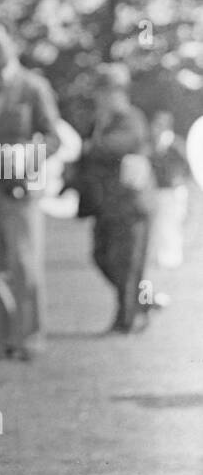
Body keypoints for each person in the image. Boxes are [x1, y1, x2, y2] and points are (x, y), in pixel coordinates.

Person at [0, 15, 61, 360]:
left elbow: (54, 137)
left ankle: (29, 340)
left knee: (25, 267)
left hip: (20, 194)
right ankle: (2, 341)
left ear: (13, 43)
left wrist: (28, 154)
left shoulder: (34, 87)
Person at [80, 65, 155, 334]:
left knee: (128, 263)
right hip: (108, 206)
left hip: (132, 205)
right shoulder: (101, 122)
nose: (100, 97)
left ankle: (126, 321)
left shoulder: (130, 118)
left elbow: (122, 143)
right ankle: (139, 302)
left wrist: (91, 146)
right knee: (102, 257)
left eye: (104, 91)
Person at [149, 110, 190, 273]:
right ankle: (161, 255)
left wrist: (178, 177)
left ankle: (172, 256)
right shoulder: (155, 143)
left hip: (173, 190)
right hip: (159, 189)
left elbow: (187, 162)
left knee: (171, 223)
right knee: (160, 224)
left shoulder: (174, 143)